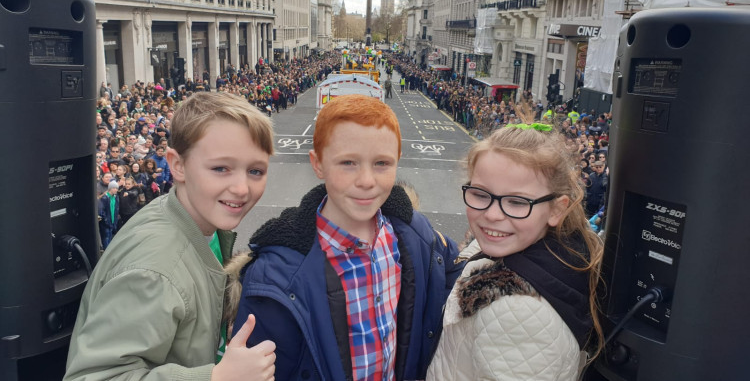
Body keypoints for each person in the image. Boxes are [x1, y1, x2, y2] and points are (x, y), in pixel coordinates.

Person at [228, 94, 463, 380]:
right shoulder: (272, 276)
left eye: (382, 164)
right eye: (348, 163)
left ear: (398, 161)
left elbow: (456, 272)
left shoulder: (416, 235)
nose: (366, 181)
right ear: (318, 164)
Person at [64, 92, 277, 381]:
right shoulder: (155, 269)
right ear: (177, 165)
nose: (241, 188)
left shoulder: (194, 219)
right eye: (220, 168)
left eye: (255, 171)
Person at [426, 116, 604, 380]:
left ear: (556, 209)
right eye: (480, 194)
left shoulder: (519, 314)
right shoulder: (559, 251)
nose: (492, 214)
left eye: (517, 202)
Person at [97, 180, 120, 250]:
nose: (116, 190)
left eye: (116, 188)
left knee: (110, 238)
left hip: (112, 222)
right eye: (114, 188)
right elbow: (101, 211)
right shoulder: (104, 198)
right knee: (106, 239)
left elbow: (116, 210)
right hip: (106, 224)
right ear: (110, 188)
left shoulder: (116, 197)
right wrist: (106, 222)